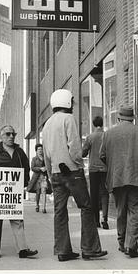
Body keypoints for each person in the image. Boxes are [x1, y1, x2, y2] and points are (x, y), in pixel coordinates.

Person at [42, 89, 107, 262]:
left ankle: (63, 251)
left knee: (59, 212)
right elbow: (75, 148)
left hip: (55, 173)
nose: (73, 103)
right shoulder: (68, 119)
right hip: (72, 172)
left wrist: (50, 174)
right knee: (86, 207)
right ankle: (90, 248)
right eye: (72, 100)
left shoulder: (47, 124)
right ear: (67, 102)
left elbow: (46, 154)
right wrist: (78, 165)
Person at [0, 125, 38, 259]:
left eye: (13, 134)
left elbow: (26, 169)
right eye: (8, 134)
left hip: (14, 192)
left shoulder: (19, 152)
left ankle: (22, 249)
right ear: (1, 136)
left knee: (17, 218)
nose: (11, 136)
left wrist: (23, 183)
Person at [99, 106, 138, 258]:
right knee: (135, 211)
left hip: (117, 178)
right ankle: (131, 245)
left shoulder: (108, 134)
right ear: (132, 119)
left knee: (121, 211)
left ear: (119, 118)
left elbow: (102, 156)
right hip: (137, 177)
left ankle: (122, 243)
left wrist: (115, 165)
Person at [82, 116, 109, 229]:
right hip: (105, 169)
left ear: (93, 124)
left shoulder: (90, 137)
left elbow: (83, 153)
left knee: (94, 194)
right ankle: (105, 220)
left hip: (93, 169)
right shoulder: (107, 136)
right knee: (104, 193)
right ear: (102, 124)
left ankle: (96, 221)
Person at [27, 144, 48, 213]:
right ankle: (37, 205)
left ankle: (44, 208)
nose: (40, 151)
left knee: (44, 192)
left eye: (41, 149)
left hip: (44, 178)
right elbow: (32, 168)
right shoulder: (34, 159)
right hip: (36, 178)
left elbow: (49, 166)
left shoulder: (45, 158)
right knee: (38, 193)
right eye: (39, 149)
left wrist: (46, 169)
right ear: (36, 151)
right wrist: (40, 168)